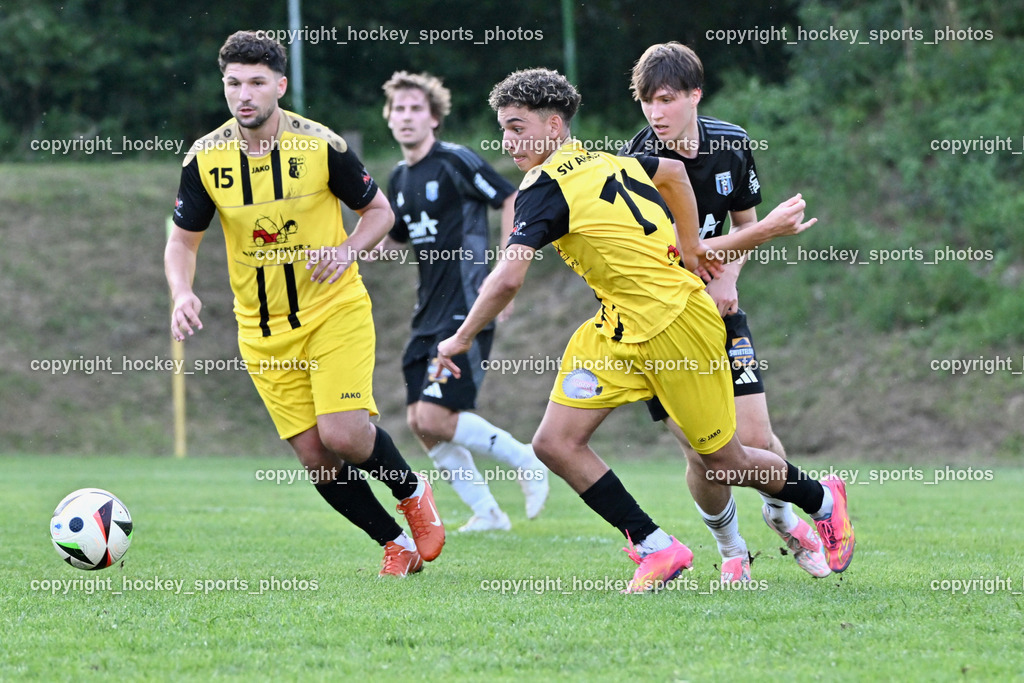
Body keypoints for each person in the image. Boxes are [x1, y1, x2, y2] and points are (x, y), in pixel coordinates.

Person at [434, 68, 854, 593]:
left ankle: (819, 499)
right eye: (503, 129)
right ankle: (658, 547)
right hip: (618, 328)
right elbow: (675, 176)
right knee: (555, 443)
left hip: (676, 324)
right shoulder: (615, 159)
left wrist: (462, 337)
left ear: (555, 124)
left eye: (518, 128)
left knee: (724, 461)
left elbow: (508, 277)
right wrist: (692, 246)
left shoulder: (543, 189)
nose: (508, 141)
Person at [164, 31, 445, 579]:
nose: (244, 95)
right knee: (317, 457)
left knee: (343, 434)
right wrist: (183, 291)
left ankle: (413, 494)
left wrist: (347, 251)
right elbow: (182, 240)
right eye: (233, 84)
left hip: (332, 312)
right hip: (262, 333)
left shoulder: (322, 146)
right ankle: (393, 544)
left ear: (280, 85)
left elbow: (380, 213)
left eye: (256, 83)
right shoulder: (204, 158)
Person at [620, 42, 830, 581]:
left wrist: (729, 278)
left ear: (695, 94)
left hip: (720, 310)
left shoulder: (733, 144)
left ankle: (783, 518)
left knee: (754, 443)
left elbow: (744, 228)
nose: (655, 112)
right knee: (704, 452)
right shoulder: (636, 163)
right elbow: (664, 255)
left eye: (665, 99)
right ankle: (733, 551)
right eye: (646, 101)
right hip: (663, 323)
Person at [370, 71, 550, 533]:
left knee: (435, 414)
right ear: (389, 119)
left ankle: (525, 459)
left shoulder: (455, 161)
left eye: (416, 109)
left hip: (466, 302)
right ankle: (488, 513)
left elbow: (511, 195)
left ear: (433, 117)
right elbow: (393, 239)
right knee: (420, 420)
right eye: (399, 110)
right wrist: (340, 253)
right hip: (426, 311)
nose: (406, 117)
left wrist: (508, 267)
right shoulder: (400, 176)